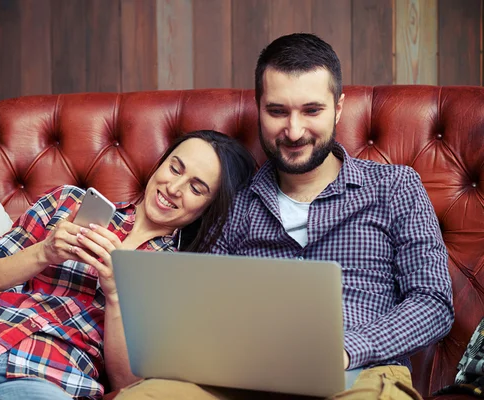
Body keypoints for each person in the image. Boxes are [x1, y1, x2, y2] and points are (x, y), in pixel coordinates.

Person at [114, 34, 454, 400]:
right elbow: (196, 308)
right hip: (241, 379)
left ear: (338, 108)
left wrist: (344, 350)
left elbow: (433, 302)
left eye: (312, 111)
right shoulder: (235, 203)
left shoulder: (395, 187)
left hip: (360, 376)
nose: (293, 131)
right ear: (259, 107)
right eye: (277, 112)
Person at [0, 130, 256, 400]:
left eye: (196, 187)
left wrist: (116, 292)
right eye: (175, 168)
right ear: (161, 164)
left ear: (208, 208)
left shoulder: (176, 276)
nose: (174, 188)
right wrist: (44, 252)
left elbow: (129, 384)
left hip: (50, 379)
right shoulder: (67, 204)